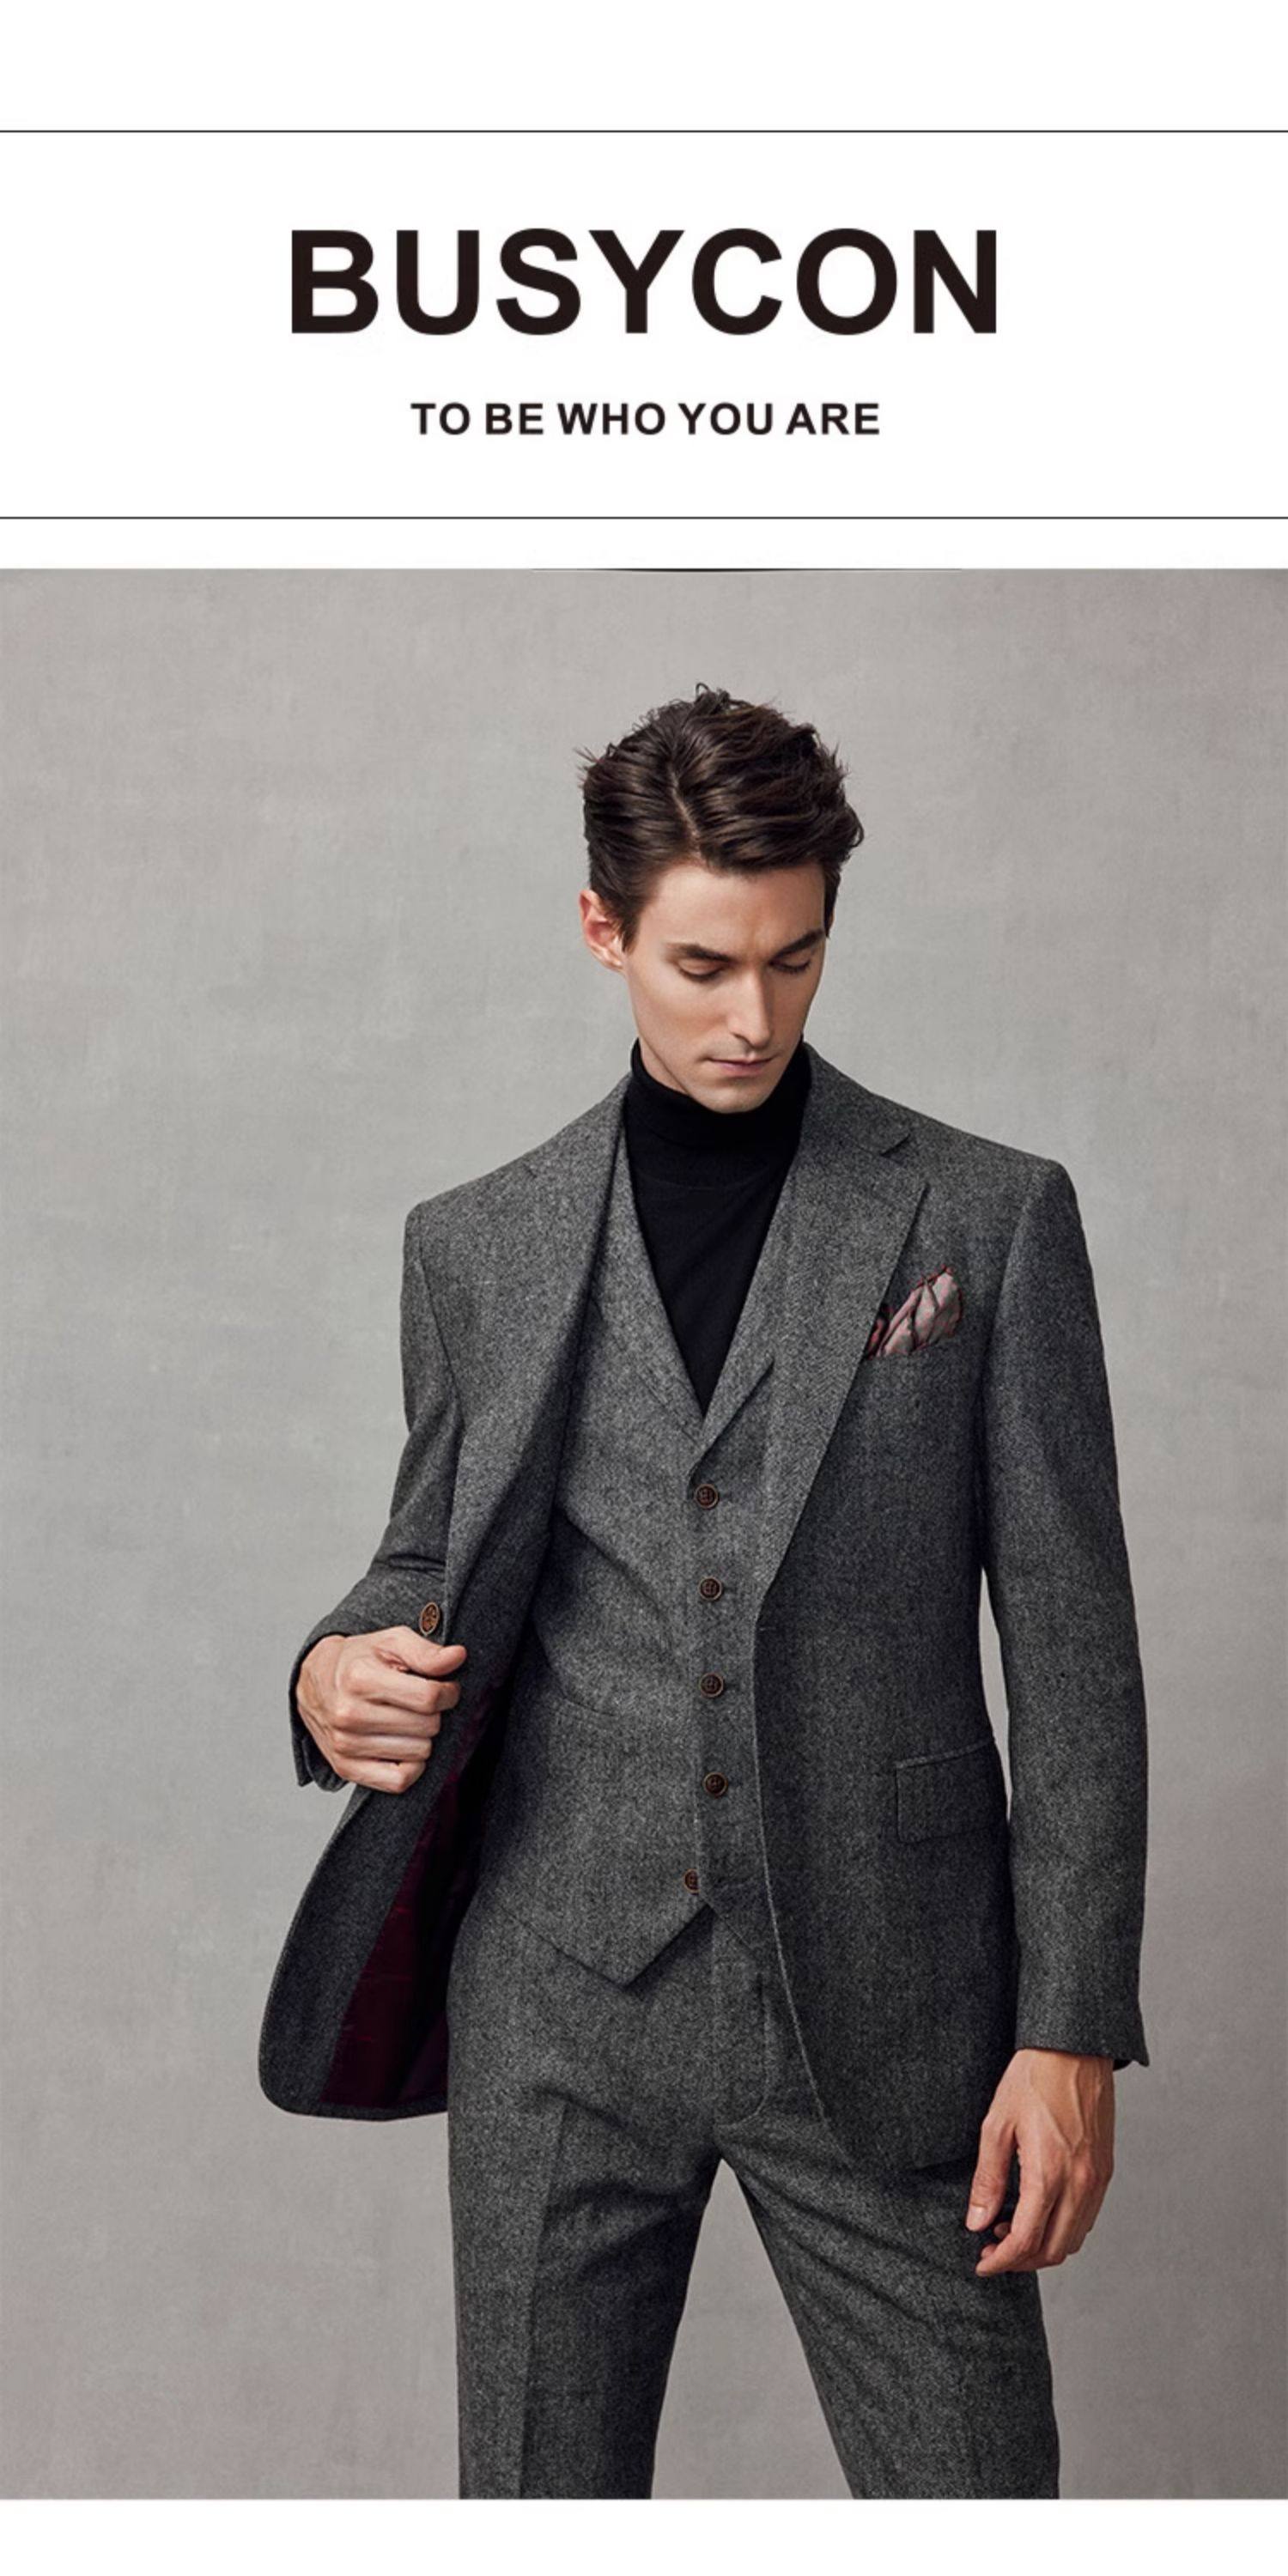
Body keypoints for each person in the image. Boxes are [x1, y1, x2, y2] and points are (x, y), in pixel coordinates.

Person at [261, 683, 1150, 2499]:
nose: (754, 1016)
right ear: (604, 931)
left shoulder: (984, 1220)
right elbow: (431, 1557)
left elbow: (1076, 1665)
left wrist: (1068, 2026)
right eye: (704, 966)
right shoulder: (477, 1245)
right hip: (561, 1998)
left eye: (795, 961)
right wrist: (328, 1672)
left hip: (896, 2001)